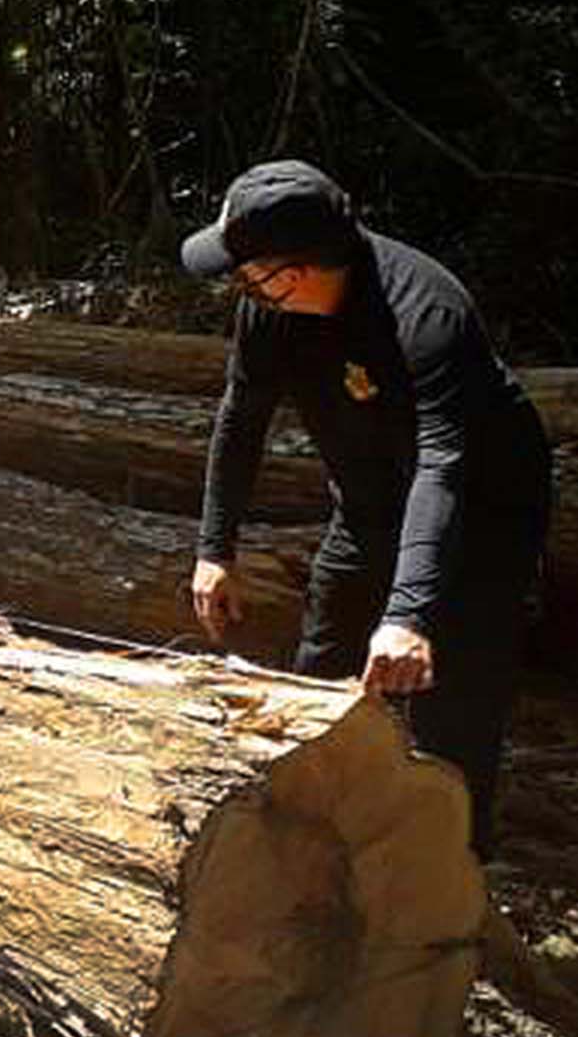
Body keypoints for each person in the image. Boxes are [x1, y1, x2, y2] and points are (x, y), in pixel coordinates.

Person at [180, 160, 553, 859]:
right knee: (323, 659)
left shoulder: (425, 314)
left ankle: (457, 870)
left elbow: (444, 466)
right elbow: (241, 419)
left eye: (249, 276)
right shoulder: (269, 310)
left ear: (298, 270)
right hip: (369, 499)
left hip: (483, 508)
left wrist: (409, 615)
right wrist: (214, 549)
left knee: (451, 696)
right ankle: (307, 842)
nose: (242, 291)